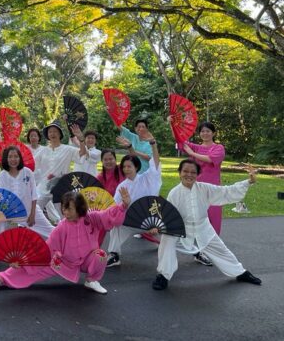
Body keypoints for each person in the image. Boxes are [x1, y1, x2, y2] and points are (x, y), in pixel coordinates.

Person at [0, 188, 132, 294]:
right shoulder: (61, 227)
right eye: (64, 208)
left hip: (87, 259)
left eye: (69, 209)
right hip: (64, 262)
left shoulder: (91, 218)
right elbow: (45, 249)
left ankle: (91, 280)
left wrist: (123, 206)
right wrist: (21, 261)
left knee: (100, 255)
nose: (65, 213)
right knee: (34, 267)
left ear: (79, 208)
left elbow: (108, 215)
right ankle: (0, 279)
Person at [152, 162, 261, 290]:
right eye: (185, 171)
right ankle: (163, 276)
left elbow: (226, 191)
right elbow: (168, 215)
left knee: (222, 250)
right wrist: (158, 226)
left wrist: (249, 181)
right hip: (181, 229)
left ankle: (240, 272)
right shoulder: (174, 193)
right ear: (179, 173)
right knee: (166, 241)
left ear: (198, 175)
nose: (189, 175)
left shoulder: (204, 188)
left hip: (203, 228)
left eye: (193, 172)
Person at [0, 146, 55, 265]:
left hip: (29, 211)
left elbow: (34, 195)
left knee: (51, 232)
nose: (13, 159)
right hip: (9, 212)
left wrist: (32, 215)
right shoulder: (2, 175)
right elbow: (0, 197)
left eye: (16, 156)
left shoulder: (27, 172)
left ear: (20, 158)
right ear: (6, 159)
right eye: (10, 157)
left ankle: (63, 246)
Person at [106, 130, 162, 268]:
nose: (126, 169)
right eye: (124, 166)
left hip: (151, 222)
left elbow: (155, 162)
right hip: (131, 222)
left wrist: (153, 143)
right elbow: (114, 208)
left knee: (172, 239)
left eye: (129, 166)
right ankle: (114, 255)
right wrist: (124, 205)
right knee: (116, 227)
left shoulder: (147, 178)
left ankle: (195, 252)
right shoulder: (122, 187)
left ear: (136, 167)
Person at [34, 120, 88, 224]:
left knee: (65, 215)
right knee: (33, 209)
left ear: (60, 134)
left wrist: (81, 138)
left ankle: (68, 234)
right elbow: (31, 164)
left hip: (61, 187)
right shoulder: (42, 151)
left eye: (55, 131)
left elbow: (82, 153)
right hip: (44, 187)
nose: (52, 134)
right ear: (47, 135)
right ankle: (45, 231)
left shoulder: (67, 149)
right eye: (50, 132)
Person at [179, 122, 226, 235]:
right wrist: (172, 125)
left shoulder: (219, 148)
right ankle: (199, 243)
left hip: (213, 188)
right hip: (197, 186)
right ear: (200, 133)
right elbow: (180, 140)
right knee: (198, 215)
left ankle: (213, 243)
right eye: (202, 131)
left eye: (208, 131)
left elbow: (210, 159)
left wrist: (192, 153)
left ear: (213, 133)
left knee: (213, 216)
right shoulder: (196, 147)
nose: (205, 133)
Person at [95, 149, 125, 246]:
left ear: (115, 159)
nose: (108, 162)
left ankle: (157, 241)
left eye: (111, 159)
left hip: (125, 204)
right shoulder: (99, 177)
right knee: (101, 224)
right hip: (109, 208)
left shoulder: (122, 169)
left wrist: (129, 147)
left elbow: (134, 161)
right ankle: (95, 249)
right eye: (105, 159)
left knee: (142, 226)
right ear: (102, 161)